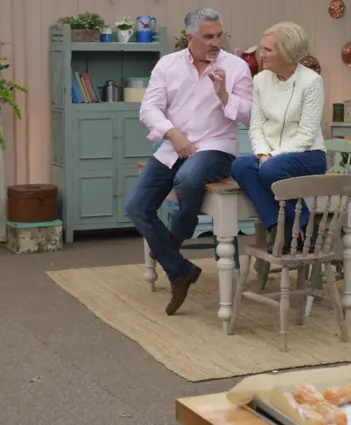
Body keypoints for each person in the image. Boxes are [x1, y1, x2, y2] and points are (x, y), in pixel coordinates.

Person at [125, 8, 253, 316]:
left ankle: (180, 230)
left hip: (216, 147)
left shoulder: (236, 67)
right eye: (208, 36)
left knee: (189, 178)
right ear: (189, 37)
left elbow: (250, 115)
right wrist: (172, 134)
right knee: (136, 206)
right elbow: (149, 109)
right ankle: (180, 270)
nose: (215, 42)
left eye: (219, 35)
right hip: (173, 146)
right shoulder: (167, 65)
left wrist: (225, 96)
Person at [230, 21, 326, 252]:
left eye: (268, 50)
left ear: (288, 52)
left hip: (307, 155)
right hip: (270, 159)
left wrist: (271, 156)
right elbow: (256, 127)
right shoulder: (260, 80)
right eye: (261, 48)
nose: (261, 54)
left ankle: (300, 228)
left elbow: (306, 135)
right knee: (240, 165)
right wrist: (263, 153)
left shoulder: (312, 81)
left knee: (269, 170)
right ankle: (281, 225)